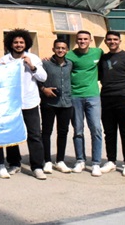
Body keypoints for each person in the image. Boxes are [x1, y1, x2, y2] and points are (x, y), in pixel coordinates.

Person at [0, 29, 47, 180]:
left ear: (26, 44)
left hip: (30, 102)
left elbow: (43, 77)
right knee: (12, 135)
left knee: (35, 135)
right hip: (11, 103)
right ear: (10, 44)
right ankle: (14, 163)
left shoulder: (33, 58)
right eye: (15, 42)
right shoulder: (4, 60)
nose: (18, 45)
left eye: (21, 42)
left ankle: (37, 166)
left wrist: (32, 66)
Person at [98, 31, 125, 177]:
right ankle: (111, 161)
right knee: (109, 132)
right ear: (105, 41)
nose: (112, 42)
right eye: (109, 39)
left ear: (120, 41)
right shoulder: (103, 58)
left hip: (124, 98)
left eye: (115, 39)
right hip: (107, 99)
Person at [67, 30, 105, 177]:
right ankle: (80, 160)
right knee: (78, 130)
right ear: (76, 41)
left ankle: (96, 163)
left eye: (85, 39)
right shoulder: (70, 55)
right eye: (80, 39)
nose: (82, 41)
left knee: (96, 129)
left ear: (90, 40)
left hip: (93, 96)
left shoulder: (98, 52)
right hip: (75, 96)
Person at [40, 39, 73, 174]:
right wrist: (43, 89)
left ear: (67, 50)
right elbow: (37, 79)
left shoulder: (70, 64)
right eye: (58, 48)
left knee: (63, 132)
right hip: (49, 103)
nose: (60, 50)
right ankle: (47, 160)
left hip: (66, 103)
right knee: (47, 132)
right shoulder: (45, 63)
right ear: (53, 49)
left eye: (63, 48)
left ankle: (60, 160)